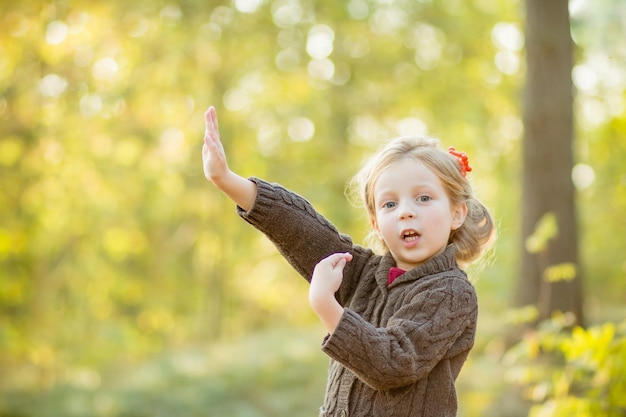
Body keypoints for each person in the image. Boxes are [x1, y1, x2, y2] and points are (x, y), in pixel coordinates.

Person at [201, 105, 495, 417]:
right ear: (376, 223)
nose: (406, 211)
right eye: (390, 203)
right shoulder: (364, 274)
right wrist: (227, 180)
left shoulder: (450, 293)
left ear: (456, 213)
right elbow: (303, 232)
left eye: (423, 198)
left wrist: (326, 305)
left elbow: (392, 362)